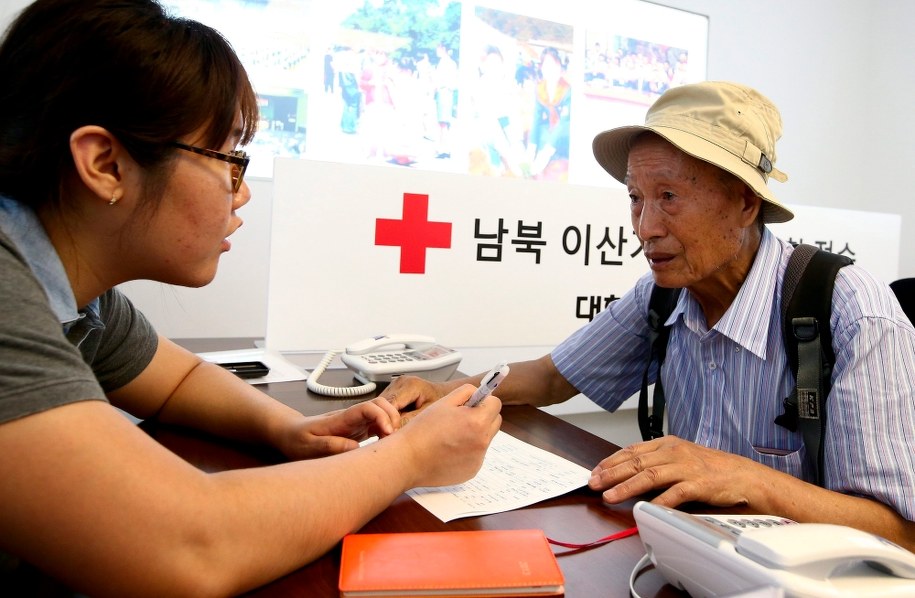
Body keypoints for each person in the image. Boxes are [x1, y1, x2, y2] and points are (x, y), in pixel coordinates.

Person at [0, 1, 502, 596]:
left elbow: (176, 379)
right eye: (229, 161)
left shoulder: (82, 296)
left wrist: (288, 429)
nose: (239, 196)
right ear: (106, 164)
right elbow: (191, 543)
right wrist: (409, 459)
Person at [383, 80, 915, 550]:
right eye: (636, 198)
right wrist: (447, 392)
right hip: (689, 557)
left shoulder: (850, 315)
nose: (645, 226)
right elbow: (549, 377)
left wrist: (747, 478)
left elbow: (899, 534)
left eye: (669, 197)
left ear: (746, 204)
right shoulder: (662, 295)